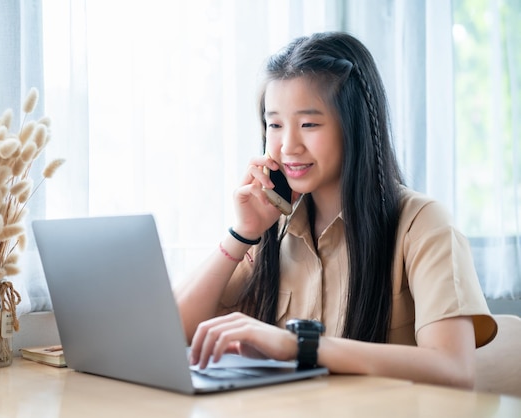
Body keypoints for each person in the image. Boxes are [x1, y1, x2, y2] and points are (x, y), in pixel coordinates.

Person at [174, 31, 497, 389]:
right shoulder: (272, 229)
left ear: (353, 125)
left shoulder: (421, 223)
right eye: (275, 124)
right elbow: (171, 332)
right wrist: (242, 234)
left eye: (309, 124)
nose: (287, 145)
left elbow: (454, 368)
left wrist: (300, 346)